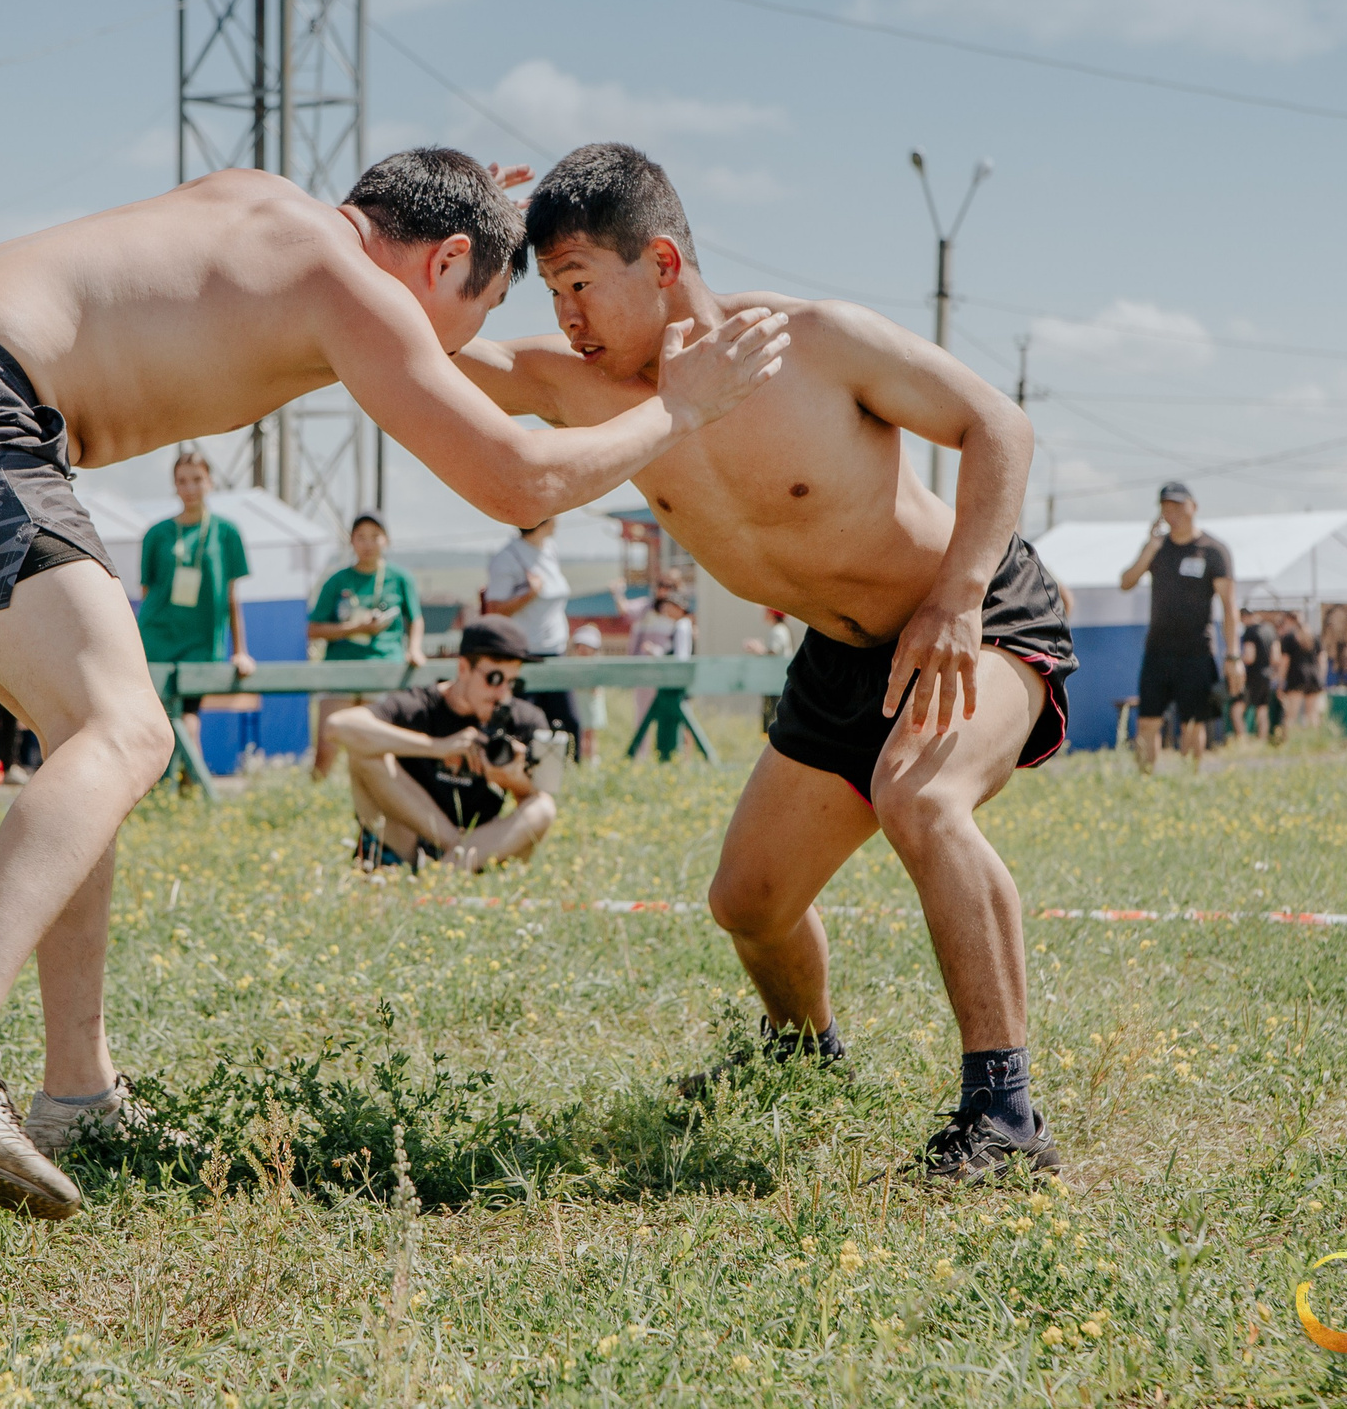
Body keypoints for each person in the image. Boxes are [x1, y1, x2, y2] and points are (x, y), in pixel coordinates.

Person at [0, 148, 788, 1217]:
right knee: (129, 734)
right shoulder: (346, 284)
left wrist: (468, 204)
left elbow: (374, 238)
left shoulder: (257, 199)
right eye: (471, 312)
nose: (444, 351)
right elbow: (520, 480)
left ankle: (77, 1093)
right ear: (444, 256)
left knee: (83, 732)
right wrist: (681, 409)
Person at [460, 142, 1074, 1183]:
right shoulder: (582, 389)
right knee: (747, 901)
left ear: (660, 262)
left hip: (970, 615)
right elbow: (409, 348)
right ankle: (805, 1057)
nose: (563, 314)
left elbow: (998, 428)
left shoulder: (814, 343)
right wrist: (454, 228)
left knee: (919, 800)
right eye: (551, 289)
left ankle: (1004, 1114)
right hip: (839, 654)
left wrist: (959, 598)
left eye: (576, 285)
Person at [324, 618, 555, 873]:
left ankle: (444, 871)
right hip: (409, 838)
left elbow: (540, 796)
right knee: (363, 750)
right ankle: (449, 861)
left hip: (479, 844)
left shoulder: (523, 718)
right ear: (463, 668)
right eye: (494, 678)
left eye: (513, 683)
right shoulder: (419, 705)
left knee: (543, 807)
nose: (503, 693)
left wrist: (513, 779)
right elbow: (338, 726)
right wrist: (437, 746)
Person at [1116, 483, 1240, 774]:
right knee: (1147, 721)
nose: (1172, 513)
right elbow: (1125, 582)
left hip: (1196, 652)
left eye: (1178, 506)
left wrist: (1233, 656)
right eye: (1166, 507)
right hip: (1158, 650)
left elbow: (1229, 606)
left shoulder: (1213, 551)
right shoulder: (1157, 549)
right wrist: (1149, 548)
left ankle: (1191, 780)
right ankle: (1145, 784)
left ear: (1193, 506)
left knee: (1193, 722)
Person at [137, 449, 255, 750]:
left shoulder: (227, 532)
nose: (190, 488)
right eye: (182, 481)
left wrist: (240, 651)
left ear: (210, 482)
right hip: (157, 640)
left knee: (188, 720)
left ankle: (191, 789)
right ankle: (165, 792)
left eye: (197, 480)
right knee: (154, 723)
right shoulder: (156, 533)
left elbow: (232, 598)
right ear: (174, 485)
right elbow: (146, 594)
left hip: (199, 644)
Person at [307, 508, 424, 780]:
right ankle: (312, 804)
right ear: (351, 541)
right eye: (361, 537)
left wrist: (414, 648)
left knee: (378, 751)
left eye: (375, 536)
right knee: (326, 748)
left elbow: (415, 620)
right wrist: (355, 628)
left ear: (386, 540)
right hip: (341, 670)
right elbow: (313, 629)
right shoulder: (337, 581)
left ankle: (382, 809)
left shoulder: (401, 578)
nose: (368, 544)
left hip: (383, 668)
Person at [483, 515, 579, 747]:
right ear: (543, 521)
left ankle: (567, 775)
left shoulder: (550, 549)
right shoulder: (507, 558)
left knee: (568, 722)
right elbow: (494, 609)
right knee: (523, 725)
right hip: (524, 656)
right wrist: (529, 595)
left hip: (555, 652)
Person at [627, 590, 702, 761]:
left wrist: (659, 655)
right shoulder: (681, 626)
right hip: (678, 678)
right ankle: (681, 757)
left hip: (677, 680)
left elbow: (680, 656)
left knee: (682, 719)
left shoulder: (682, 626)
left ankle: (684, 758)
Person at [1234, 610, 1286, 744]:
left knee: (1237, 710)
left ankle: (1242, 742)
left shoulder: (1250, 632)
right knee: (1262, 711)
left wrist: (1235, 660)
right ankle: (1262, 742)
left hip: (1253, 676)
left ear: (1244, 617)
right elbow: (1276, 657)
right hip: (1268, 676)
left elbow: (1249, 657)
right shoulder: (1270, 630)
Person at [567, 621, 609, 760]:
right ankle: (578, 756)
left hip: (591, 702)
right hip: (578, 700)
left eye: (588, 646)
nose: (584, 649)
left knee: (591, 733)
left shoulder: (597, 664)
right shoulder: (573, 663)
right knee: (578, 732)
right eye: (581, 645)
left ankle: (591, 758)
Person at [747, 606, 793, 733]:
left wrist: (757, 648)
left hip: (775, 680)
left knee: (771, 712)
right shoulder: (781, 630)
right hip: (779, 680)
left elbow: (773, 652)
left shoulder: (778, 631)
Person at [1278, 609, 1324, 732]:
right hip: (1314, 676)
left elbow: (1284, 662)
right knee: (1312, 714)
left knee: (1291, 714)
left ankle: (1287, 742)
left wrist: (1280, 682)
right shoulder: (1314, 637)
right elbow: (1322, 659)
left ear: (1289, 620)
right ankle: (1314, 742)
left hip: (1296, 676)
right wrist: (1321, 677)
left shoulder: (1288, 638)